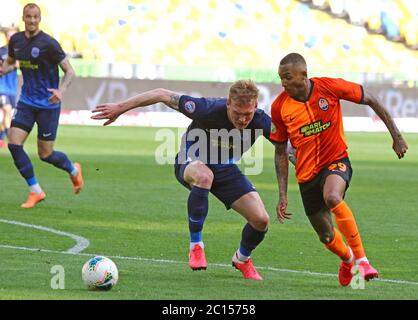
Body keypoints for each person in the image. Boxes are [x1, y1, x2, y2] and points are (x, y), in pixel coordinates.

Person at [91, 80, 273, 280]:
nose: (242, 119)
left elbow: (288, 148)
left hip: (225, 167)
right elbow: (161, 93)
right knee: (204, 176)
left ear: (256, 107)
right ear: (228, 103)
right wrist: (119, 108)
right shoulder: (206, 109)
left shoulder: (262, 122)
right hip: (191, 161)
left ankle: (242, 258)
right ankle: (196, 246)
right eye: (237, 113)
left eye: (247, 114)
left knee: (261, 220)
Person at [270, 53, 408, 286]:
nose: (283, 82)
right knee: (325, 235)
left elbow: (371, 98)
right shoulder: (279, 106)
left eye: (287, 77)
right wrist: (282, 194)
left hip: (336, 161)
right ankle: (348, 260)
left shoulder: (329, 87)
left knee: (332, 196)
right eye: (280, 78)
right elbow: (280, 151)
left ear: (303, 75)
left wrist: (396, 136)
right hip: (306, 176)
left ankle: (362, 261)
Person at [0, 3, 84, 208]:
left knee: (45, 154)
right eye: (28, 17)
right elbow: (11, 62)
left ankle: (73, 170)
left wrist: (61, 91)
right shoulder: (16, 41)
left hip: (48, 105)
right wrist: (4, 68)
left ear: (40, 19)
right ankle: (35, 190)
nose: (32, 20)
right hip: (27, 102)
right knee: (14, 144)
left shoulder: (49, 43)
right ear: (23, 18)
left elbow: (69, 71)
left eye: (35, 17)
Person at [0, 27, 19, 149]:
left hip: (12, 88)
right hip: (2, 87)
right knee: (7, 111)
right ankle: (11, 141)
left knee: (9, 115)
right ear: (6, 37)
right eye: (10, 35)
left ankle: (1, 138)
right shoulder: (1, 51)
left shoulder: (20, 52)